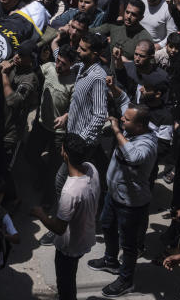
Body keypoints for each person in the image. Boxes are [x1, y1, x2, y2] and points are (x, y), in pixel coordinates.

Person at [87, 105, 158, 297]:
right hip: (114, 194)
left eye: (126, 119)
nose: (121, 119)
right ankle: (110, 261)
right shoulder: (133, 128)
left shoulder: (148, 143)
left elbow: (134, 157)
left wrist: (117, 131)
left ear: (140, 125)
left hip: (131, 202)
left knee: (128, 244)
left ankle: (126, 280)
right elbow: (124, 99)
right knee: (107, 224)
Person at [30, 133, 101, 300]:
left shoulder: (70, 191)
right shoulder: (91, 168)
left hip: (70, 246)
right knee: (70, 276)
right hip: (86, 235)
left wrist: (40, 214)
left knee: (65, 283)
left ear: (65, 154)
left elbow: (59, 229)